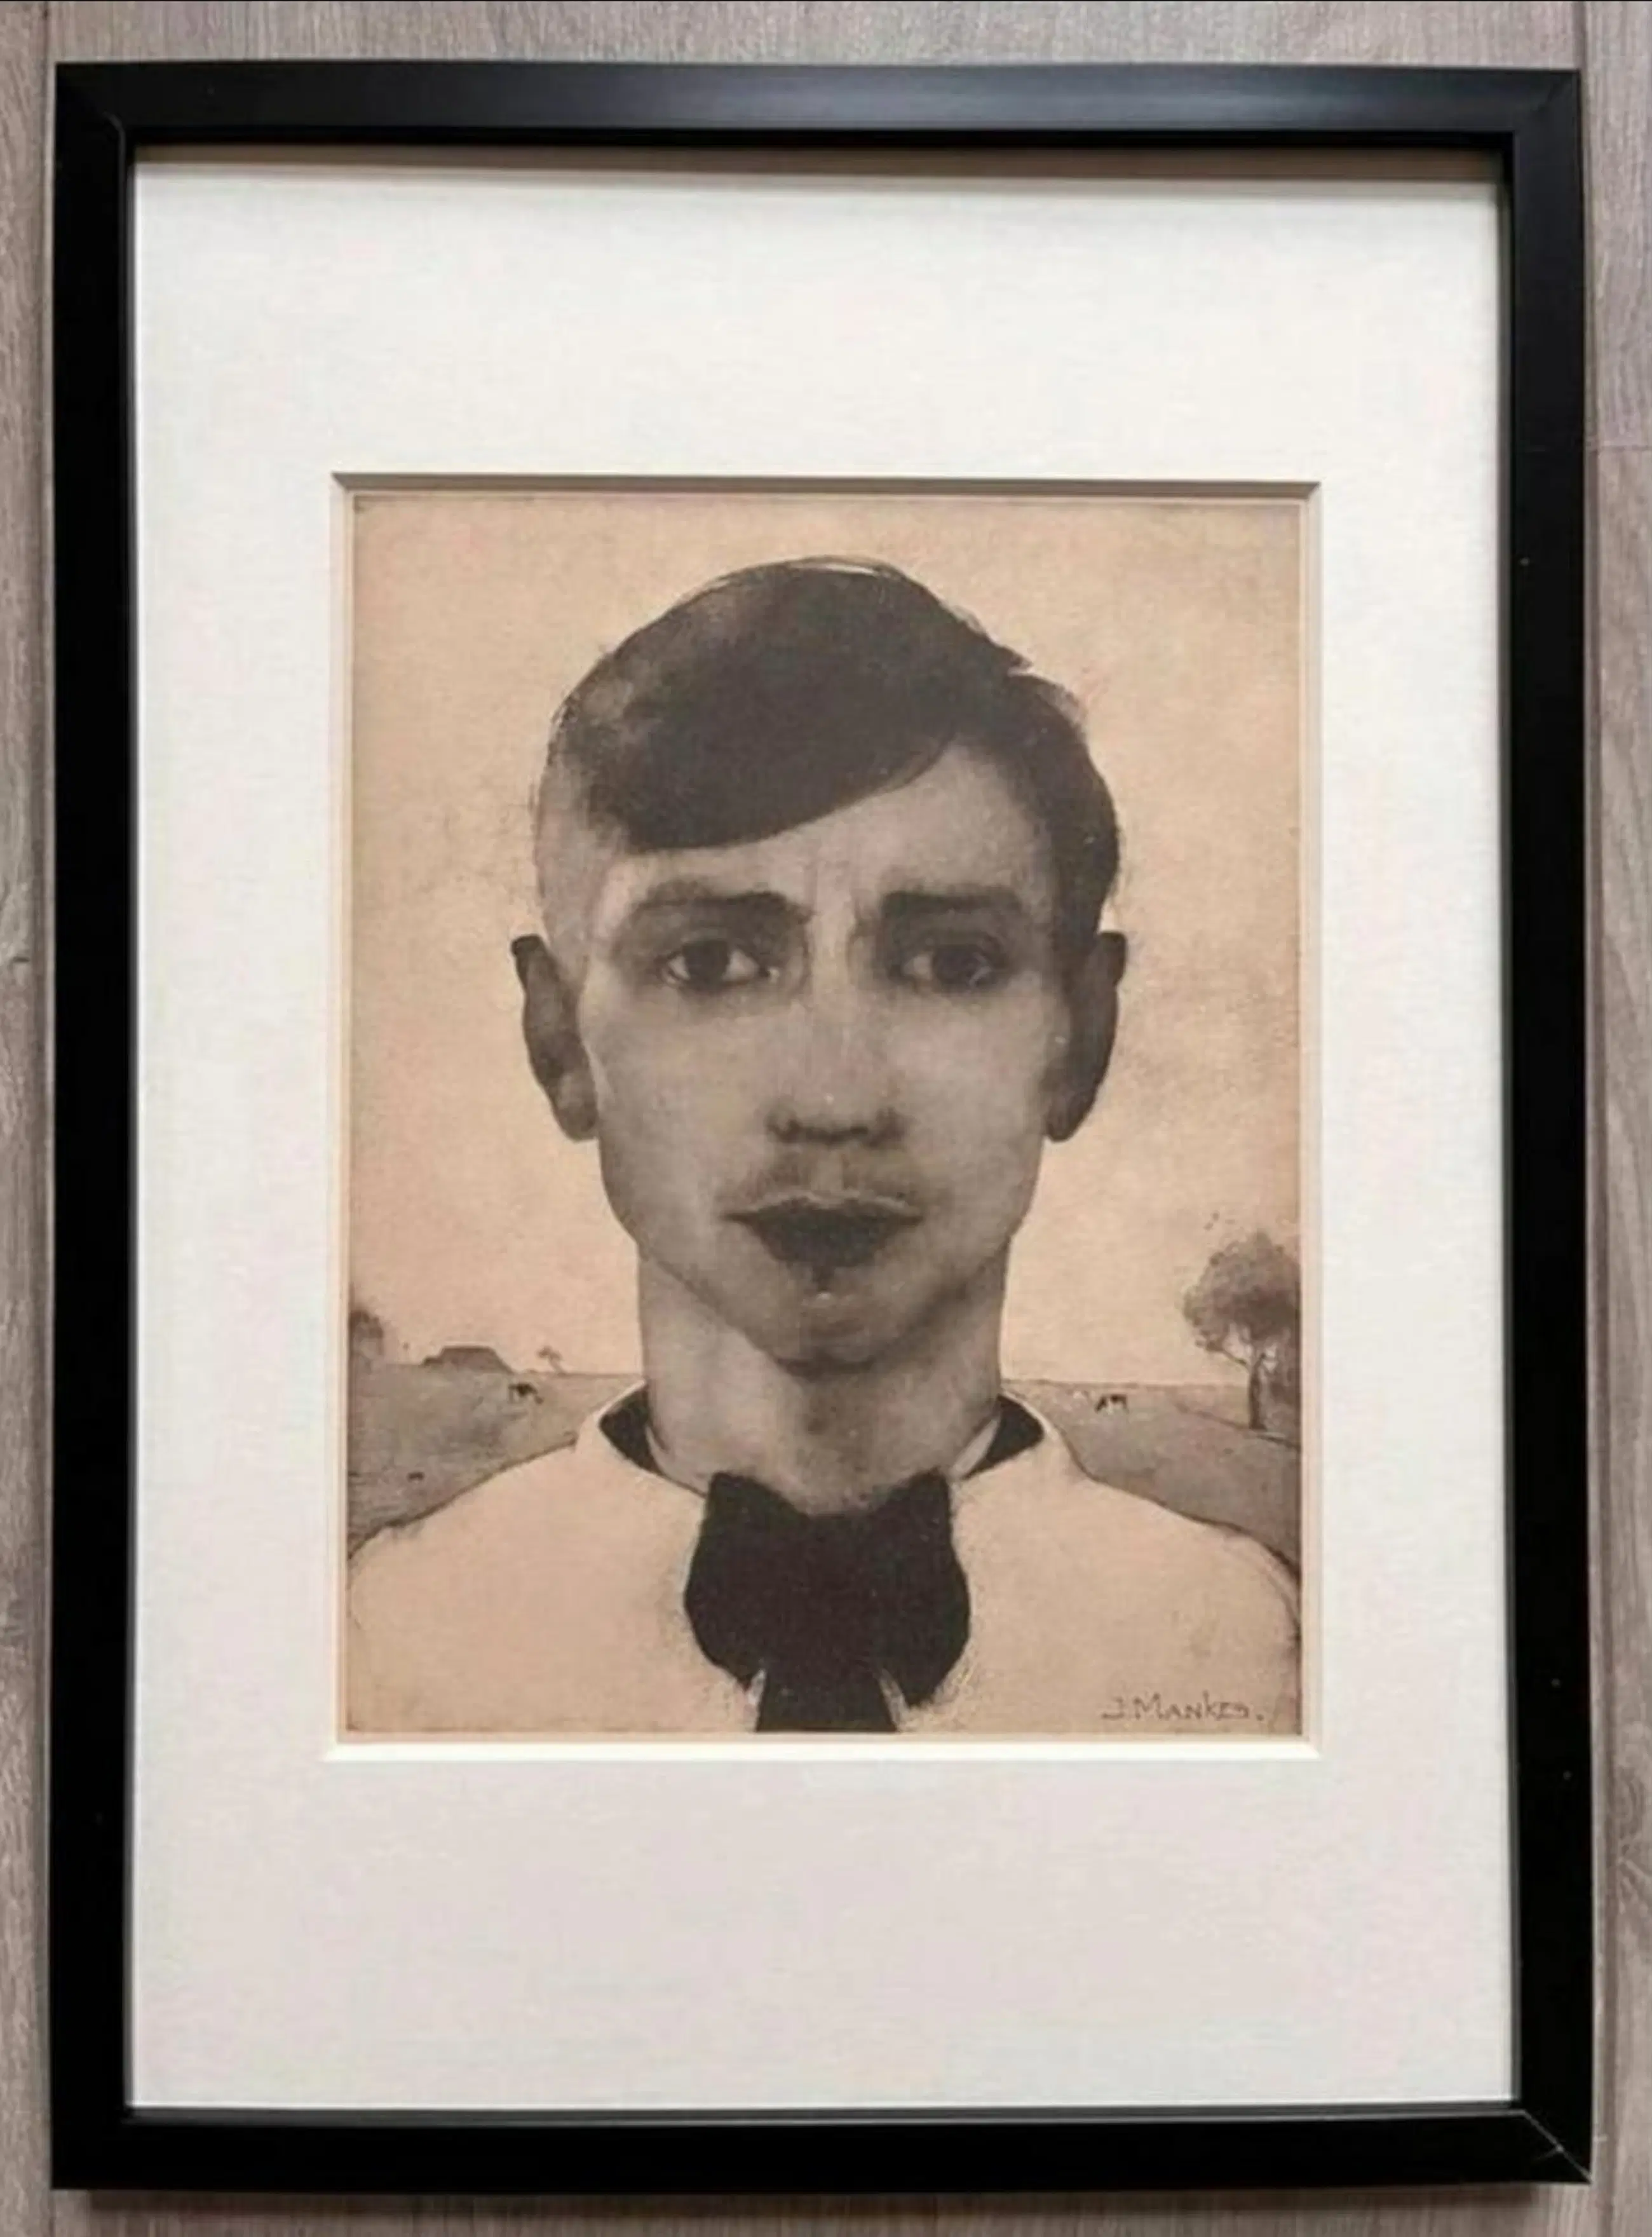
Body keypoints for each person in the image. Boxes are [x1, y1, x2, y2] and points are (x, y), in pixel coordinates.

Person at [347, 559, 1299, 1736]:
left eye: (951, 964)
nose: (835, 1099)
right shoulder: (384, 1641)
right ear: (560, 1043)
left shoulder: (1257, 1649)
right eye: (709, 963)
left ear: (1083, 1035)